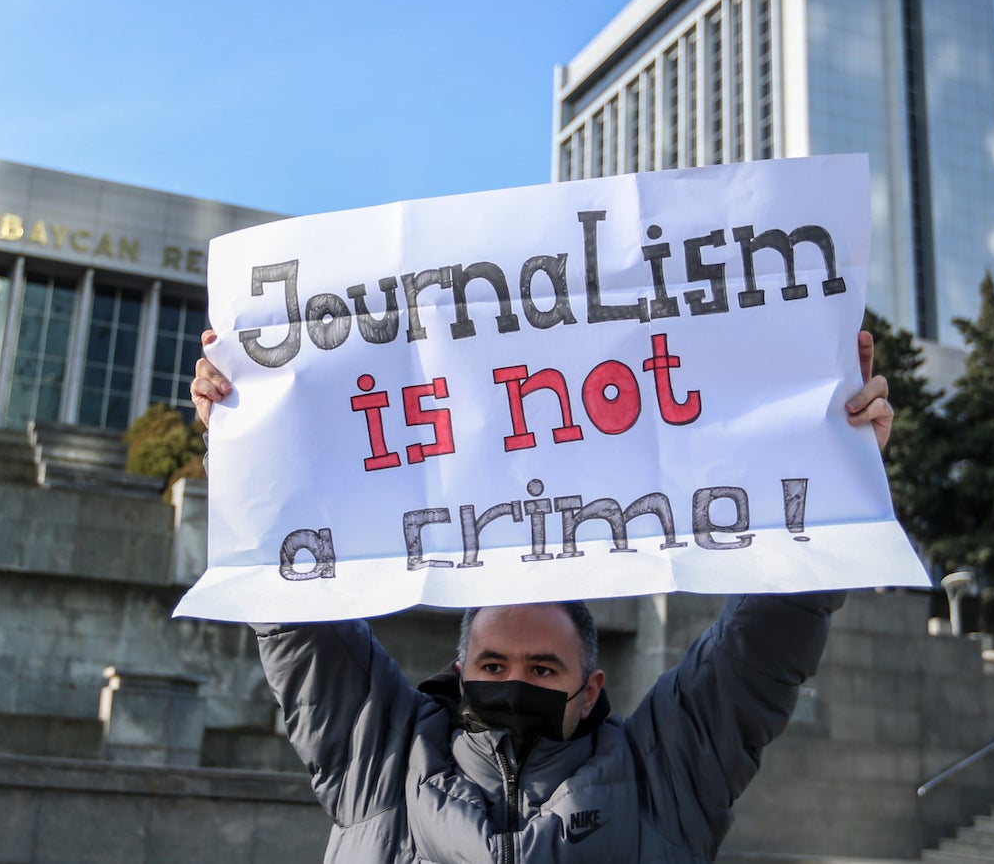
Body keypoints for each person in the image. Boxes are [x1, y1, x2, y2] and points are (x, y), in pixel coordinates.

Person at [191, 328, 893, 863]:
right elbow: (298, 615)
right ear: (460, 670)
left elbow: (759, 645)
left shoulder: (661, 779)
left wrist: (834, 462)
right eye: (494, 664)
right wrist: (246, 438)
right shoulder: (386, 762)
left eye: (543, 667)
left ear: (591, 688)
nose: (515, 681)